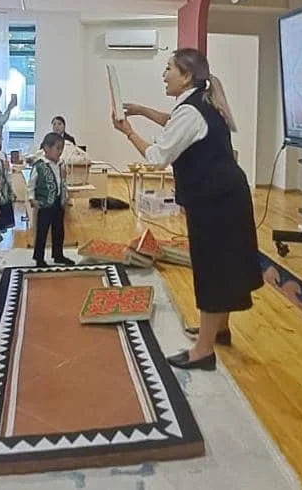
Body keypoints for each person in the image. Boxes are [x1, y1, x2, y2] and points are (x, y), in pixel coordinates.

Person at [112, 48, 263, 371]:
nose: (164, 74)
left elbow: (157, 157)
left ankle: (203, 351)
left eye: (169, 68)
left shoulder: (192, 112)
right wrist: (140, 110)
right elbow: (172, 121)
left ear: (186, 76)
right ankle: (219, 330)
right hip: (226, 195)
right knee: (222, 265)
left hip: (216, 200)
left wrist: (128, 132)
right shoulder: (197, 103)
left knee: (212, 269)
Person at [28, 133, 76, 268]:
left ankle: (58, 255)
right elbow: (31, 184)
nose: (60, 152)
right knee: (42, 232)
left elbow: (62, 182)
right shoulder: (39, 165)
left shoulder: (60, 164)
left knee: (59, 230)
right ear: (46, 148)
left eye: (61, 149)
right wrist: (32, 198)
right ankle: (39, 258)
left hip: (58, 203)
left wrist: (65, 196)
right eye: (57, 148)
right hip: (44, 204)